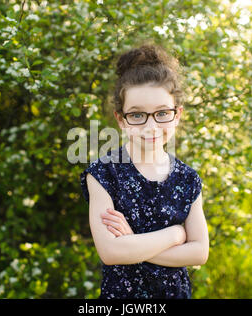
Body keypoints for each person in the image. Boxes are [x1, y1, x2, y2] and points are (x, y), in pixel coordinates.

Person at [80, 41, 209, 299]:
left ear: (177, 114)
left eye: (162, 113)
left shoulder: (187, 178)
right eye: (138, 115)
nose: (151, 126)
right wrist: (175, 234)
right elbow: (111, 252)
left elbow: (199, 252)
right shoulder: (104, 174)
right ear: (121, 119)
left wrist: (134, 243)